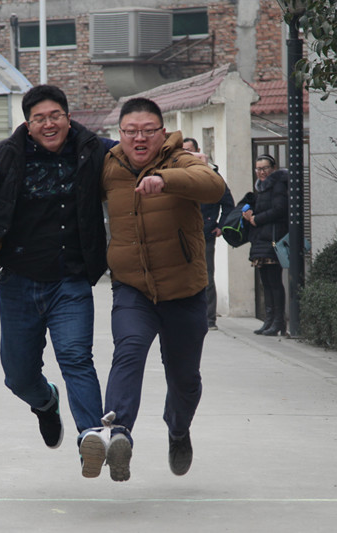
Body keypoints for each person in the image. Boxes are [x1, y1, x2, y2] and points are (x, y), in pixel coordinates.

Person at [0, 85, 117, 478]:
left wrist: (182, 158)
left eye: (55, 116)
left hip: (71, 280)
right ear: (28, 124)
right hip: (19, 281)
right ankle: (45, 402)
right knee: (18, 375)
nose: (48, 124)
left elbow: (138, 155)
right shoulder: (7, 153)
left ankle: (91, 436)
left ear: (68, 118)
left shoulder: (93, 149)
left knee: (76, 358)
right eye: (39, 119)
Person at [100, 98, 227, 482]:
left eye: (148, 131)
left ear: (162, 131)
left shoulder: (181, 160)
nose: (139, 138)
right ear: (120, 134)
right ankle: (119, 433)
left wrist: (166, 180)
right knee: (128, 351)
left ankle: (178, 428)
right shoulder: (108, 166)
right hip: (132, 288)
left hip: (184, 292)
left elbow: (214, 186)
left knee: (184, 379)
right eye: (130, 131)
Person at [182, 137, 235, 330]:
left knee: (206, 276)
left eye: (190, 150)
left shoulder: (213, 176)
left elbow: (228, 204)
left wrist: (220, 225)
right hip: (182, 236)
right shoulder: (178, 174)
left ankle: (209, 318)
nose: (187, 154)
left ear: (198, 151)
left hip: (205, 234)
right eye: (183, 151)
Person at [242, 153, 288, 336]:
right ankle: (268, 320)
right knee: (266, 283)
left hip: (273, 239)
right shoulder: (260, 188)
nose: (261, 172)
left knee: (274, 282)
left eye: (265, 168)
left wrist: (256, 218)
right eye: (258, 169)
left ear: (273, 169)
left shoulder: (278, 184)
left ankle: (278, 322)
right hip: (261, 240)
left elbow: (280, 209)